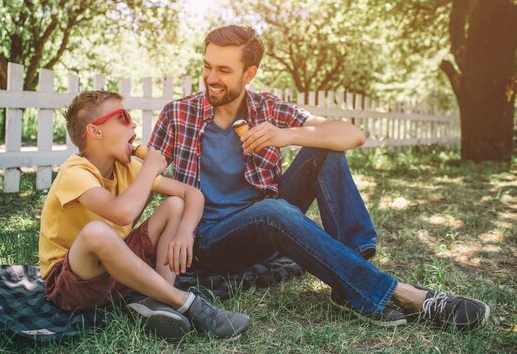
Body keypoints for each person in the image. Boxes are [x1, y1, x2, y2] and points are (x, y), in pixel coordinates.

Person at [148, 24, 490, 331]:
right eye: (207, 66)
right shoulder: (178, 114)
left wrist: (288, 135)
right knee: (275, 211)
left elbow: (350, 134)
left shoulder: (267, 107)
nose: (211, 77)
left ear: (249, 74)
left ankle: (350, 278)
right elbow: (145, 179)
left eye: (224, 70)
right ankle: (404, 294)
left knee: (323, 150)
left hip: (264, 228)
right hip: (211, 240)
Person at [38, 90, 251, 340]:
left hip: (116, 270)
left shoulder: (128, 167)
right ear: (95, 131)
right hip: (71, 282)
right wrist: (149, 170)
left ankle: (158, 300)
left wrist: (185, 232)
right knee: (97, 232)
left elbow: (191, 193)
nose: (134, 124)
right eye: (123, 117)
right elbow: (122, 214)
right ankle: (187, 303)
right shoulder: (74, 173)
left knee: (175, 205)